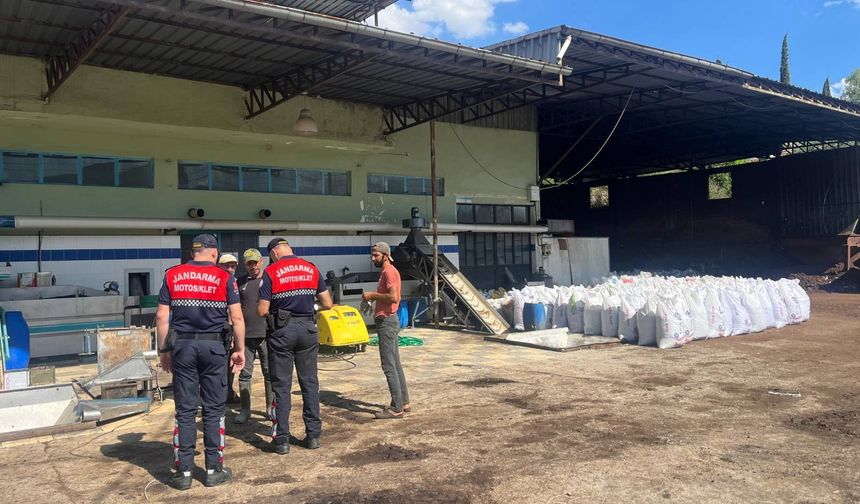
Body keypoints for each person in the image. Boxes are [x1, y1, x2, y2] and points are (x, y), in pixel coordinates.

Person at [156, 234, 245, 490]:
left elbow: (162, 318)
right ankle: (213, 469)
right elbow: (236, 319)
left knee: (185, 410)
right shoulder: (225, 277)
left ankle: (183, 472)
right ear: (214, 253)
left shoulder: (172, 275)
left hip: (182, 346)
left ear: (193, 251)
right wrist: (239, 349)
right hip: (214, 347)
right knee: (214, 409)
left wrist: (164, 350)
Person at [257, 237, 332, 454]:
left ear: (273, 253)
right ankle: (313, 436)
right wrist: (309, 306)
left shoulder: (271, 272)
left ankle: (281, 440)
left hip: (282, 332)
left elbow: (262, 310)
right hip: (308, 329)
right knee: (309, 383)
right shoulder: (311, 268)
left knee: (281, 387)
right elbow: (327, 303)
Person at [362, 242, 410, 419]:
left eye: (375, 255)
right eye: (372, 255)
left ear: (385, 255)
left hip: (387, 322)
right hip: (389, 320)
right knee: (395, 363)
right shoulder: (387, 272)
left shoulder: (389, 272)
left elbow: (393, 297)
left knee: (388, 364)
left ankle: (396, 408)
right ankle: (404, 402)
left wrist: (372, 296)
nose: (373, 258)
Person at [233, 248, 272, 424]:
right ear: (245, 264)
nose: (253, 266)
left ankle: (270, 408)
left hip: (266, 334)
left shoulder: (270, 280)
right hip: (246, 336)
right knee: (244, 374)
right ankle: (245, 410)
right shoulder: (239, 282)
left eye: (255, 262)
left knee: (269, 373)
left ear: (261, 262)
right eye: (249, 263)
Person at [218, 254, 240, 404]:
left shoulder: (235, 283)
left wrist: (234, 332)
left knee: (231, 363)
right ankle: (219, 394)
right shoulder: (215, 282)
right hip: (218, 330)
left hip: (231, 329)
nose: (230, 269)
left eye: (233, 266)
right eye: (227, 266)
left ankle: (229, 391)